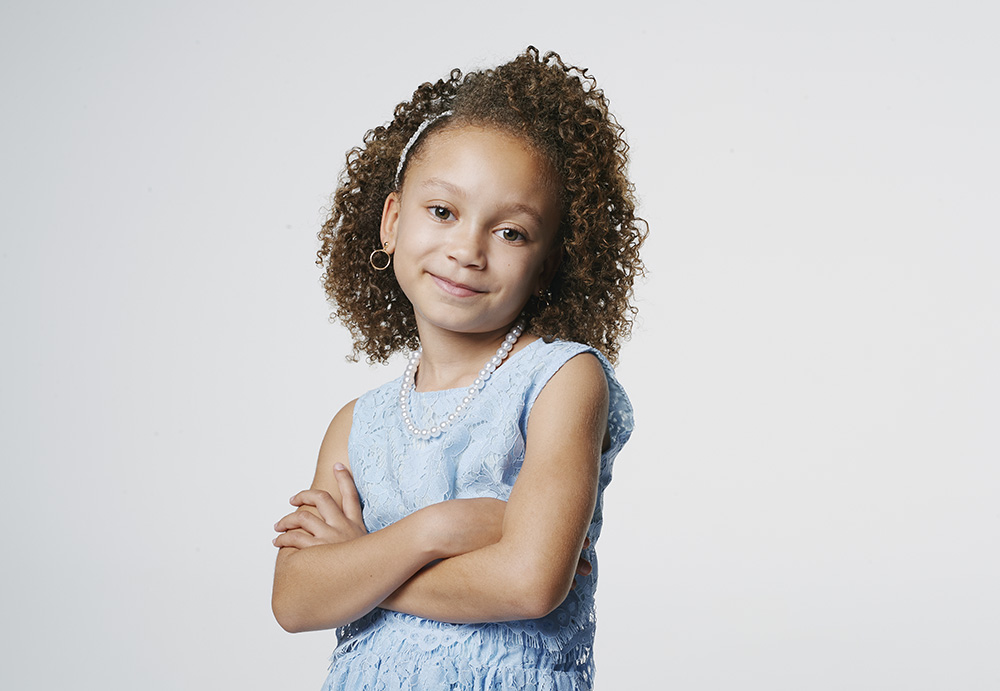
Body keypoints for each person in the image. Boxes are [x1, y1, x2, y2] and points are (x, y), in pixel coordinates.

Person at [272, 46, 646, 690]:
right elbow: (295, 601)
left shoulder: (561, 380)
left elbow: (529, 583)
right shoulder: (356, 425)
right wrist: (437, 529)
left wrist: (360, 567)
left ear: (550, 260)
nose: (468, 250)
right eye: (442, 212)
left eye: (512, 233)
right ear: (392, 221)